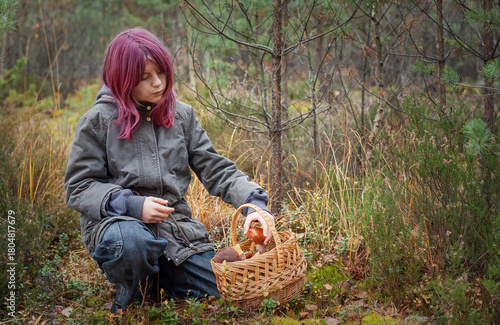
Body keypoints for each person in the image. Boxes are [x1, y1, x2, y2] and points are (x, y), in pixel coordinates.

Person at [64, 27, 274, 314]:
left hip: (176, 235)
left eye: (162, 73)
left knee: (231, 287)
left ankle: (165, 278)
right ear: (122, 79)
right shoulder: (97, 121)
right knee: (134, 244)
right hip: (118, 228)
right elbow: (79, 187)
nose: (159, 84)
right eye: (145, 77)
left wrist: (253, 202)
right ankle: (133, 291)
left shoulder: (182, 115)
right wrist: (133, 205)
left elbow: (216, 169)